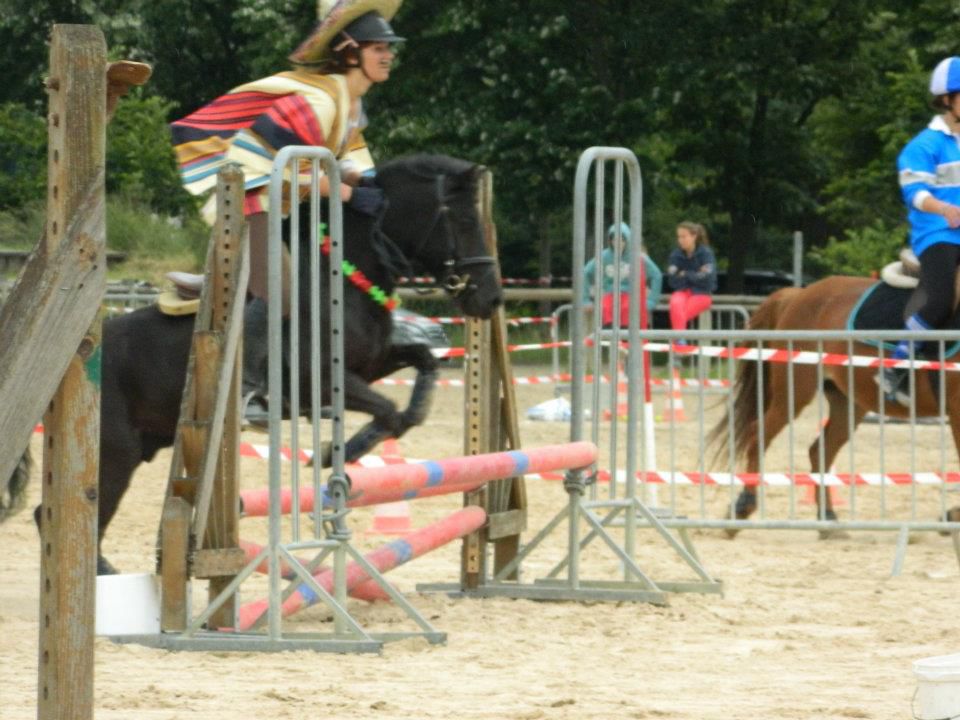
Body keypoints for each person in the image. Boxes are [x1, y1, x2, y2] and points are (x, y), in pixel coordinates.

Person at [169, 0, 404, 422]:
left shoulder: (350, 105)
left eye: (388, 47)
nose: (388, 55)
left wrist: (370, 185)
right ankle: (246, 393)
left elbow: (351, 163)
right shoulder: (317, 102)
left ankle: (303, 386)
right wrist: (348, 194)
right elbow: (291, 171)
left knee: (311, 292)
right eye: (378, 48)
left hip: (279, 204)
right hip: (250, 199)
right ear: (350, 53)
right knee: (278, 294)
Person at [879, 57, 960, 405]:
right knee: (940, 300)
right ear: (946, 99)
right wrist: (943, 209)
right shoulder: (923, 146)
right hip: (938, 234)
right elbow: (915, 193)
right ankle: (896, 363)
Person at [582, 222, 662, 327]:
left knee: (627, 308)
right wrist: (585, 300)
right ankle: (608, 333)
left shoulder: (638, 257)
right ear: (610, 240)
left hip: (631, 296)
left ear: (627, 240)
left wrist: (651, 301)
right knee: (605, 308)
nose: (618, 243)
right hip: (609, 295)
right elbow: (585, 273)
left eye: (622, 240)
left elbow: (656, 275)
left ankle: (625, 334)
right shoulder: (603, 256)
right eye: (614, 240)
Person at [666, 221, 716, 341]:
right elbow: (672, 279)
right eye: (679, 237)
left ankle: (679, 344)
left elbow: (708, 278)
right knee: (675, 304)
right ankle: (680, 342)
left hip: (702, 294)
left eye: (684, 236)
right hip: (681, 292)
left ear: (694, 236)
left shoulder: (706, 253)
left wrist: (685, 274)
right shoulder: (675, 255)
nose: (680, 240)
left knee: (679, 314)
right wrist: (696, 274)